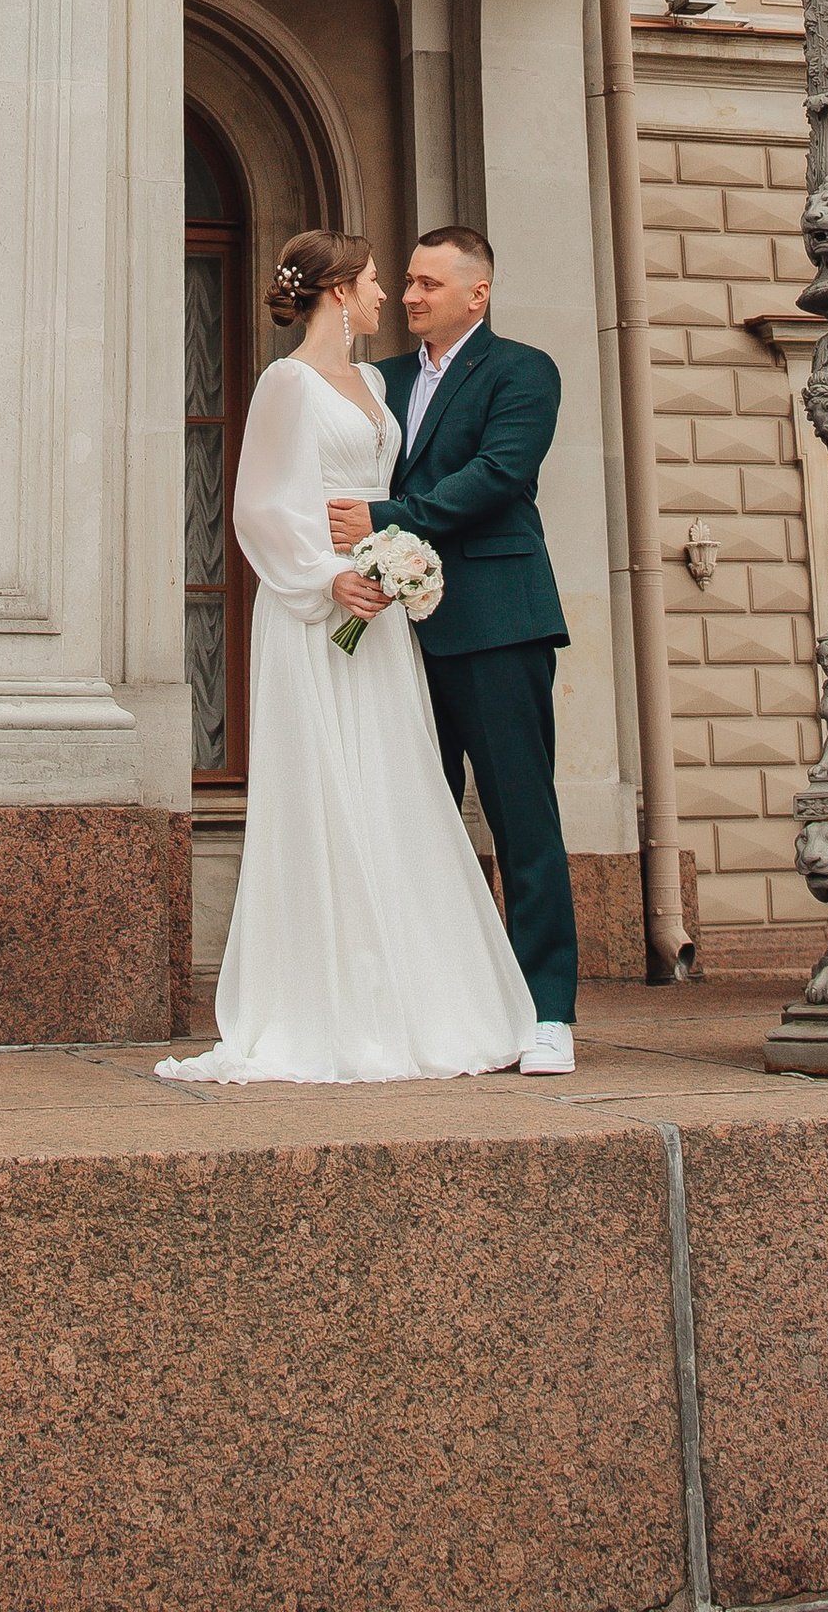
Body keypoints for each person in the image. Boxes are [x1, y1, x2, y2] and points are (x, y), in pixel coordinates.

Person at [155, 226, 537, 1087]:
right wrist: (330, 579)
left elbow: (388, 489)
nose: (385, 295)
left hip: (381, 612)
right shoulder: (284, 385)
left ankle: (421, 1001)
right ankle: (329, 1005)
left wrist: (387, 565)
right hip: (316, 614)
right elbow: (260, 508)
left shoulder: (372, 381)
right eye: (372, 281)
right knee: (329, 788)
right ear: (337, 292)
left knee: (396, 785)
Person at [328, 227, 581, 1075]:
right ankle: (433, 1001)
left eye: (429, 283)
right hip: (399, 627)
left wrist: (386, 520)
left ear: (478, 293)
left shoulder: (523, 370)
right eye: (405, 281)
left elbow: (497, 474)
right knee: (415, 813)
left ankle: (547, 1011)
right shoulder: (381, 380)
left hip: (500, 620)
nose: (410, 295)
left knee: (521, 816)